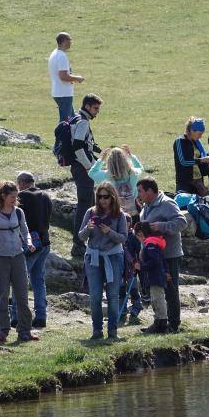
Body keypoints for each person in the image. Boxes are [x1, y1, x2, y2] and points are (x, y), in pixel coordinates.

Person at [0, 182, 39, 343]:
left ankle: (25, 330)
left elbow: (24, 230)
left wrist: (28, 242)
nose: (15, 199)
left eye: (16, 196)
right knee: (2, 294)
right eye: (12, 197)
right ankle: (2, 330)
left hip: (17, 256)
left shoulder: (19, 212)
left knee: (22, 294)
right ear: (3, 196)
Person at [78, 182, 128, 340]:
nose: (102, 200)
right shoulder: (90, 212)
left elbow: (123, 238)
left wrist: (109, 232)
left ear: (112, 197)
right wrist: (88, 228)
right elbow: (80, 236)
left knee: (113, 295)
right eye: (99, 197)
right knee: (95, 296)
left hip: (113, 256)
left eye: (106, 197)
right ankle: (97, 330)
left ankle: (112, 331)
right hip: (93, 257)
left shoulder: (119, 215)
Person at [137, 177, 187, 332]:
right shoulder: (146, 206)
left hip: (169, 255)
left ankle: (173, 325)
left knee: (171, 291)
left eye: (140, 191)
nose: (138, 194)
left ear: (150, 191)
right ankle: (159, 323)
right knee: (156, 290)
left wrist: (162, 226)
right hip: (153, 256)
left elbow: (182, 222)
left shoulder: (167, 203)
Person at [11, 171, 52, 328]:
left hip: (29, 244)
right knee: (38, 280)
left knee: (19, 280)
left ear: (21, 182)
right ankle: (41, 315)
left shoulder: (23, 197)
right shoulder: (46, 196)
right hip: (45, 242)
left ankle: (16, 316)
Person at [70, 94, 104, 258]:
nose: (97, 112)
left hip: (80, 168)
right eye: (96, 108)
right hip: (82, 169)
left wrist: (97, 151)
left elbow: (84, 143)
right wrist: (90, 167)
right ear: (88, 106)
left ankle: (85, 238)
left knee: (89, 203)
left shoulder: (77, 119)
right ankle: (77, 243)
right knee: (85, 205)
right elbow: (77, 147)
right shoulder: (83, 122)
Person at [133, 222, 169, 334]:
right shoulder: (150, 244)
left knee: (158, 300)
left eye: (137, 235)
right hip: (154, 277)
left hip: (156, 277)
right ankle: (158, 322)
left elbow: (155, 261)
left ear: (141, 233)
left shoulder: (150, 245)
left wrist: (141, 266)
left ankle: (162, 324)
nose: (138, 238)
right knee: (155, 300)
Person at [88, 145, 144, 218]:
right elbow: (140, 168)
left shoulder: (106, 176)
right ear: (125, 160)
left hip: (114, 212)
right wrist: (131, 156)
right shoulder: (133, 173)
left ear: (109, 161)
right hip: (132, 211)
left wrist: (101, 160)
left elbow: (91, 173)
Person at [48, 32, 84, 122]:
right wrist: (77, 78)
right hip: (63, 93)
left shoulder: (55, 54)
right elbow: (63, 76)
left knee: (73, 119)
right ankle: (61, 136)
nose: (71, 42)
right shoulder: (62, 56)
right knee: (65, 122)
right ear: (64, 41)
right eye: (69, 40)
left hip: (60, 92)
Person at [173, 117, 209, 196]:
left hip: (198, 182)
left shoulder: (196, 143)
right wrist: (202, 160)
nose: (201, 136)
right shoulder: (180, 141)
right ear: (192, 131)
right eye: (200, 133)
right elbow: (183, 162)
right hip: (185, 184)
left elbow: (201, 161)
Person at [119, 214, 143, 325]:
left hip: (131, 267)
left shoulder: (133, 237)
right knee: (121, 289)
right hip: (120, 267)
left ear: (129, 223)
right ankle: (122, 310)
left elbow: (139, 251)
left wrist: (138, 263)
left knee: (133, 289)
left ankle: (136, 307)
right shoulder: (118, 235)